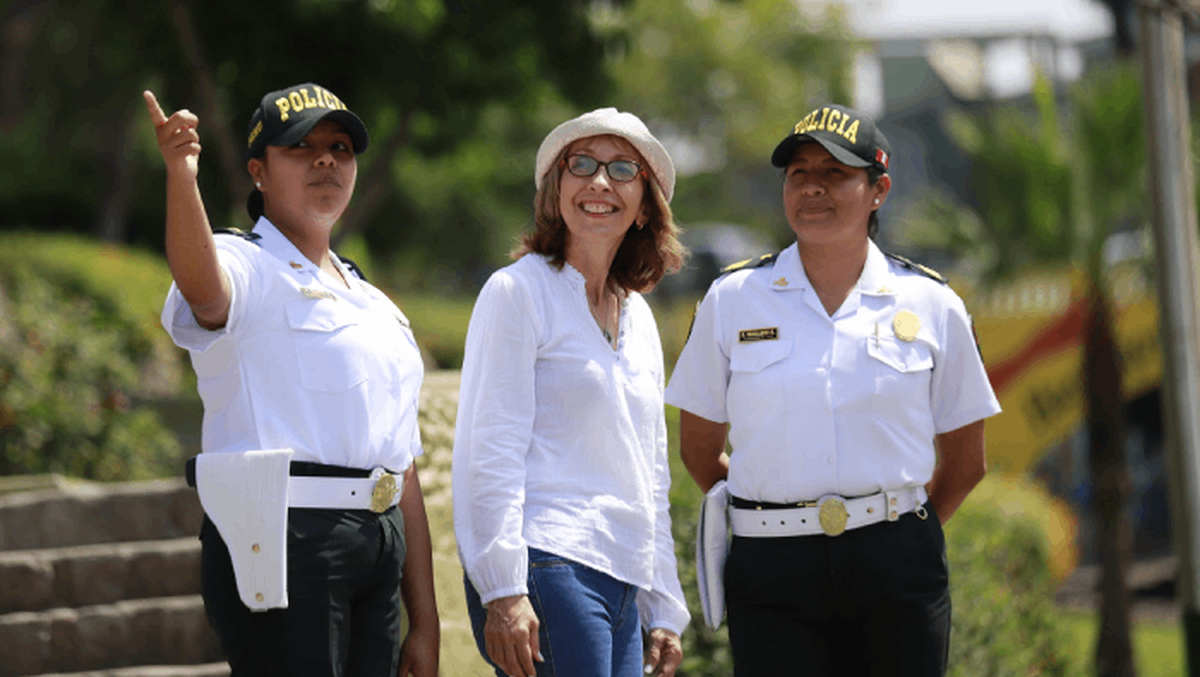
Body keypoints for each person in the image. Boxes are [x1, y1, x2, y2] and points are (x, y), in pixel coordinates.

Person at [665, 103, 1002, 676]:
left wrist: (889, 527)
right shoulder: (732, 299)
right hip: (770, 568)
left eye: (836, 173)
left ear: (879, 190)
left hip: (897, 566)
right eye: (799, 174)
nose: (813, 189)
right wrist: (770, 509)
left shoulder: (932, 304)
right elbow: (698, 449)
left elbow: (966, 462)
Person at [144, 82, 439, 677]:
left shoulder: (378, 305)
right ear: (259, 171)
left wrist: (425, 623)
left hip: (379, 544)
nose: (326, 158)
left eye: (340, 147)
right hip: (286, 538)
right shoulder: (246, 262)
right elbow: (204, 291)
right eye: (301, 147)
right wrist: (181, 173)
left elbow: (402, 466)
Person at [452, 108, 691, 677]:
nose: (599, 181)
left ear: (645, 202)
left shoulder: (640, 316)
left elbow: (648, 472)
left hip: (623, 578)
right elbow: (490, 447)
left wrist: (664, 607)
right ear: (555, 188)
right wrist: (504, 589)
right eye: (580, 164)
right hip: (547, 564)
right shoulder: (517, 292)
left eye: (622, 168)